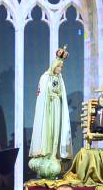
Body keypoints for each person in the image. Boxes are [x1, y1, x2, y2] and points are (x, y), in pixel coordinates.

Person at [28, 46, 72, 179]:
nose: (60, 69)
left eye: (61, 67)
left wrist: (57, 97)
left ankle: (54, 154)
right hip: (47, 111)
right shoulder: (45, 77)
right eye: (58, 67)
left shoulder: (60, 78)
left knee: (56, 132)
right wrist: (50, 97)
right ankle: (46, 154)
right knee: (48, 132)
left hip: (57, 109)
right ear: (54, 66)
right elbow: (42, 95)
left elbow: (61, 93)